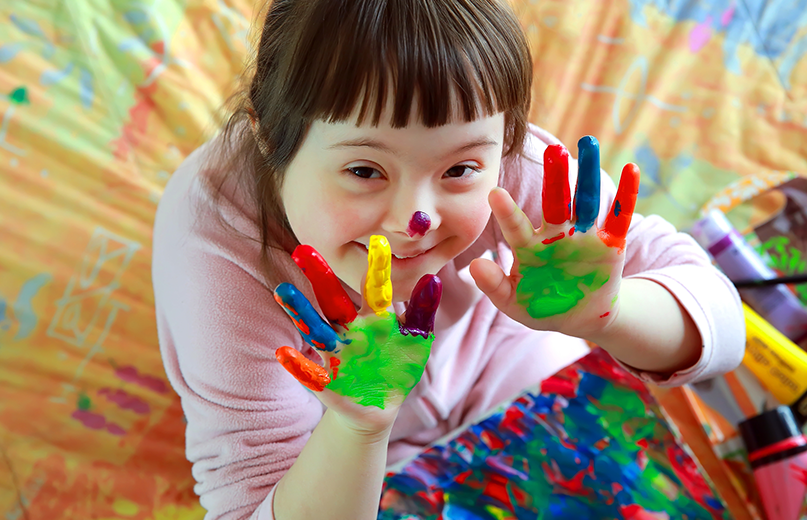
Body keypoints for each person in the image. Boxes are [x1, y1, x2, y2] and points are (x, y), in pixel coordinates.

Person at [151, 0, 745, 519]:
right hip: (333, 449)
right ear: (266, 134)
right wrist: (358, 427)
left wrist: (607, 315)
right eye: (364, 170)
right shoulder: (215, 258)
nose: (417, 219)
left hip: (506, 358)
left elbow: (723, 326)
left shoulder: (521, 178)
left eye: (459, 169)